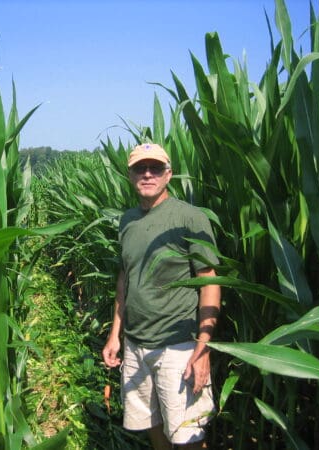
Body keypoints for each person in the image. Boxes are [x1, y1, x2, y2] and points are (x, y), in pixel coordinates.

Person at [102, 143, 221, 450]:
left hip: (178, 348)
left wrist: (203, 349)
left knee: (187, 435)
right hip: (136, 345)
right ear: (129, 175)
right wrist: (115, 335)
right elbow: (125, 277)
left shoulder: (190, 218)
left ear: (168, 174)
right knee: (153, 425)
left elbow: (210, 282)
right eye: (140, 168)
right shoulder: (127, 220)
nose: (147, 174)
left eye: (155, 168)